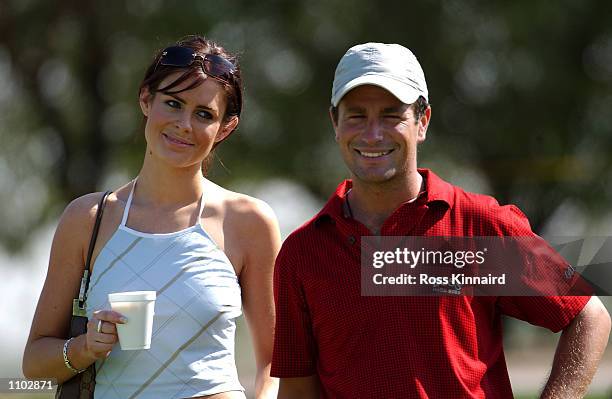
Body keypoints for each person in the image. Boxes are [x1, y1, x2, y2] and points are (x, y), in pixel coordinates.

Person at [271, 42, 611, 398]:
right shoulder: (303, 253)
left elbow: (588, 318)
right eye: (356, 115)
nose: (373, 134)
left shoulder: (480, 225)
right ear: (335, 123)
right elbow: (297, 389)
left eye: (391, 115)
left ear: (422, 122)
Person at [23, 35, 279, 399]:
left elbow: (277, 362)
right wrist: (84, 348)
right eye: (173, 103)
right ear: (146, 99)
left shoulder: (249, 222)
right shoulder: (88, 219)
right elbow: (34, 363)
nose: (184, 124)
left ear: (226, 127)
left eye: (204, 114)